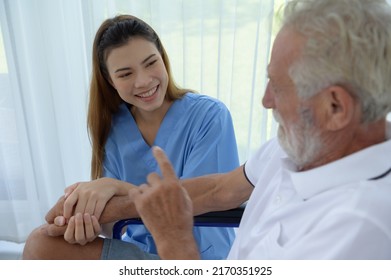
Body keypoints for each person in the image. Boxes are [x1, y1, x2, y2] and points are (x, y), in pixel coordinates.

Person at [23, 0, 391, 260]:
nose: (265, 101)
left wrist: (174, 238)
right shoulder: (290, 146)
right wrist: (94, 210)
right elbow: (219, 189)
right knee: (43, 245)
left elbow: (186, 224)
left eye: (277, 87)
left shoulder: (361, 228)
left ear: (335, 107)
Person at [22, 14, 240, 260]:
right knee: (45, 241)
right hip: (140, 252)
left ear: (163, 57)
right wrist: (85, 219)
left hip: (194, 257)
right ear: (110, 81)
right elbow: (114, 224)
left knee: (41, 246)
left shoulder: (209, 117)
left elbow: (195, 201)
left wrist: (115, 186)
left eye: (150, 63)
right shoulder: (114, 127)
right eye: (125, 74)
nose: (143, 81)